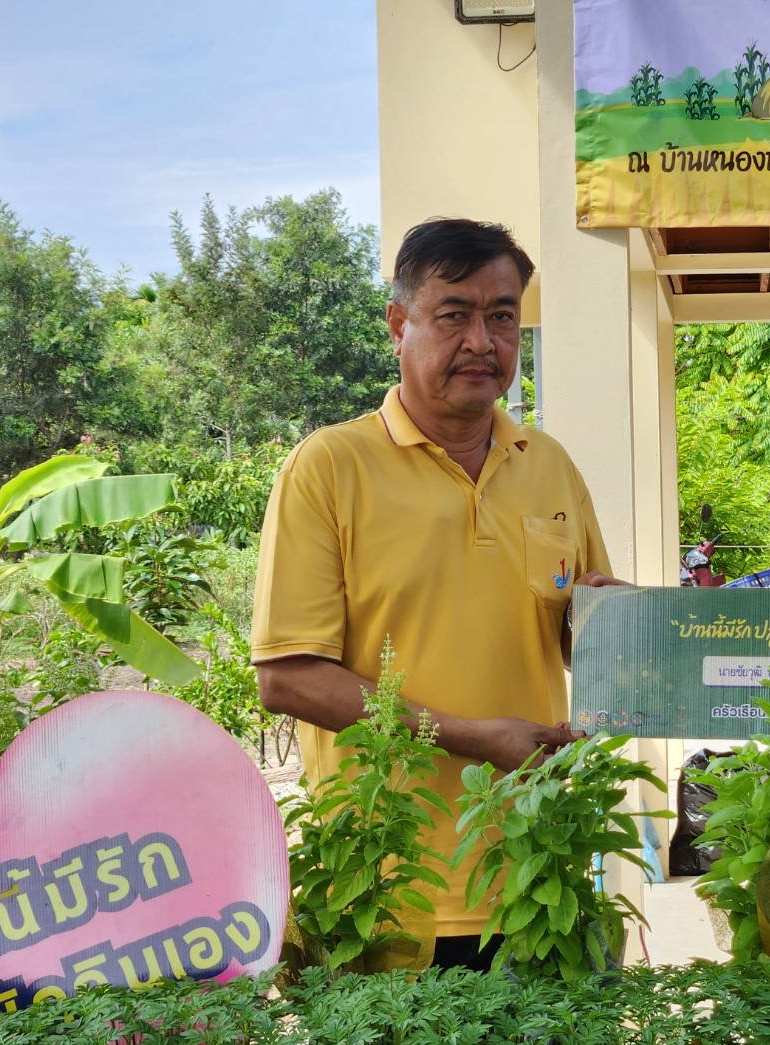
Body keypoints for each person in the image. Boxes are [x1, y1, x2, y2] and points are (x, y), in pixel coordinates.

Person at [253, 217, 617, 972]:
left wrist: (623, 624)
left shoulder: (547, 464)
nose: (482, 341)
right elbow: (287, 675)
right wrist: (469, 736)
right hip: (380, 882)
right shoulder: (329, 468)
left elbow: (577, 639)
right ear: (398, 324)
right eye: (454, 315)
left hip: (533, 873)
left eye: (503, 317)